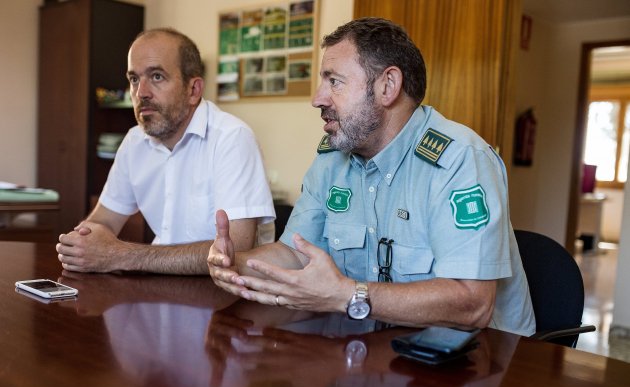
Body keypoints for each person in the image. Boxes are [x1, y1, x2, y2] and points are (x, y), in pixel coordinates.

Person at [208, 18, 535, 336]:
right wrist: (235, 264)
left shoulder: (461, 159)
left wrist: (348, 295)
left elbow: (473, 304)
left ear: (387, 86)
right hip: (382, 350)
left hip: (481, 363)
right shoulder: (332, 159)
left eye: (334, 81)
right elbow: (295, 253)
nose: (317, 98)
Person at [56, 28, 275, 275]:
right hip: (159, 289)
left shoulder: (232, 138)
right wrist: (83, 243)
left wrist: (119, 255)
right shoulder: (134, 141)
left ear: (194, 90)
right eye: (134, 79)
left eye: (157, 76)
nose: (141, 93)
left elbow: (234, 251)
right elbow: (103, 221)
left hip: (227, 300)